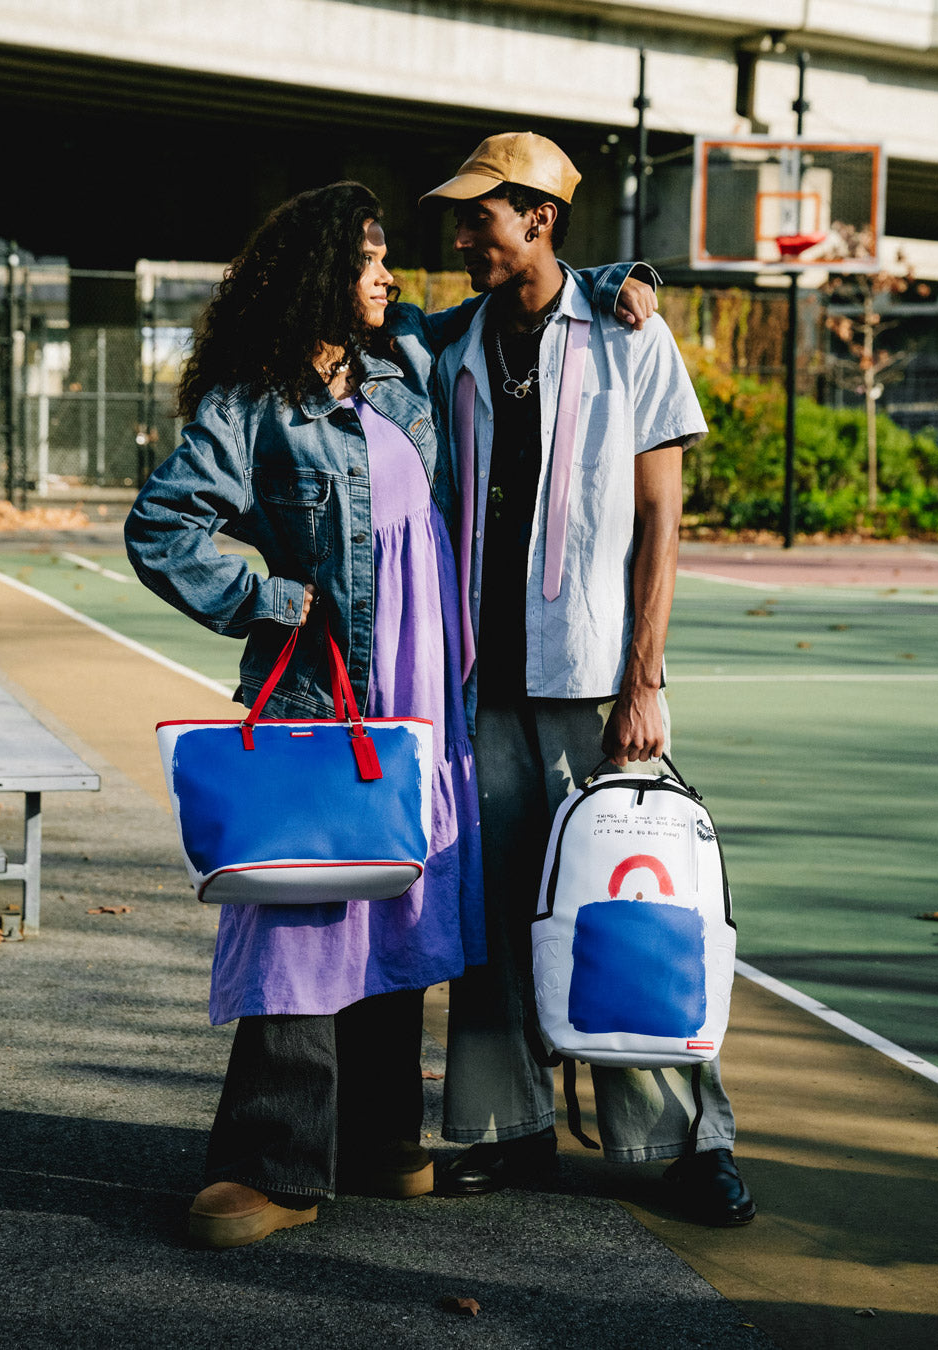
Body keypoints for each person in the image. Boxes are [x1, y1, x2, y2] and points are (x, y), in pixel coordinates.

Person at [124, 179, 656, 1249]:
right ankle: (270, 1162)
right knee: (305, 919)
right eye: (370, 259)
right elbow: (161, 528)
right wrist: (275, 601)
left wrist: (619, 279)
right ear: (324, 273)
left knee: (393, 906)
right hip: (329, 696)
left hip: (427, 695)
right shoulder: (253, 404)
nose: (390, 275)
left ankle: (370, 1137)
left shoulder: (404, 358)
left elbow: (525, 287)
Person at [421, 132, 756, 1225]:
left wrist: (644, 681)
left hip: (594, 684)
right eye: (464, 216)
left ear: (541, 220)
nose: (464, 234)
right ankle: (505, 1129)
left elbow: (663, 523)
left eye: (483, 216)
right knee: (493, 913)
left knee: (629, 910)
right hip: (482, 688)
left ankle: (687, 1140)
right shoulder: (454, 343)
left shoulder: (631, 345)